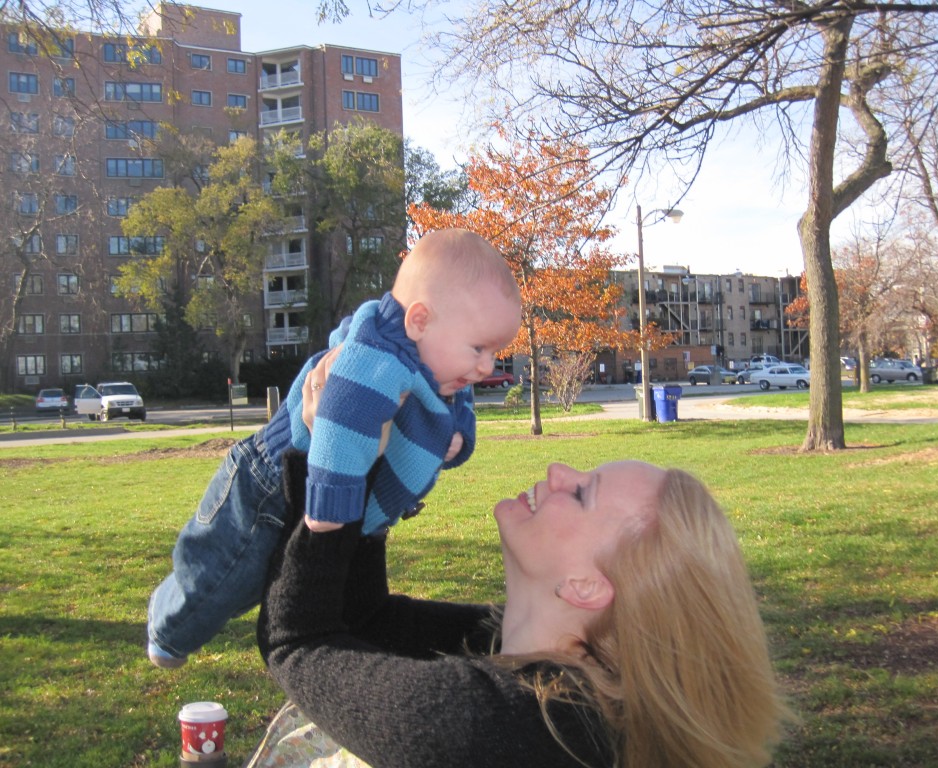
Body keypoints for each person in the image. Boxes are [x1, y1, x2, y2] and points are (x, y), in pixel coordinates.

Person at [255, 357, 792, 768]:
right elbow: (366, 621)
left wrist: (332, 458)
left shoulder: (496, 723)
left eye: (582, 493)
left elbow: (298, 640)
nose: (559, 469)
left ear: (585, 586)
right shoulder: (534, 665)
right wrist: (369, 461)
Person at [146, 228, 522, 669]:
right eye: (479, 347)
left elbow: (455, 413)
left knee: (267, 589)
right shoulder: (373, 359)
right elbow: (342, 428)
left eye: (495, 351)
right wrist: (330, 510)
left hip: (307, 489)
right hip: (267, 486)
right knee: (221, 581)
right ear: (419, 320)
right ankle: (166, 631)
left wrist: (458, 441)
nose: (486, 366)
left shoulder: (440, 363)